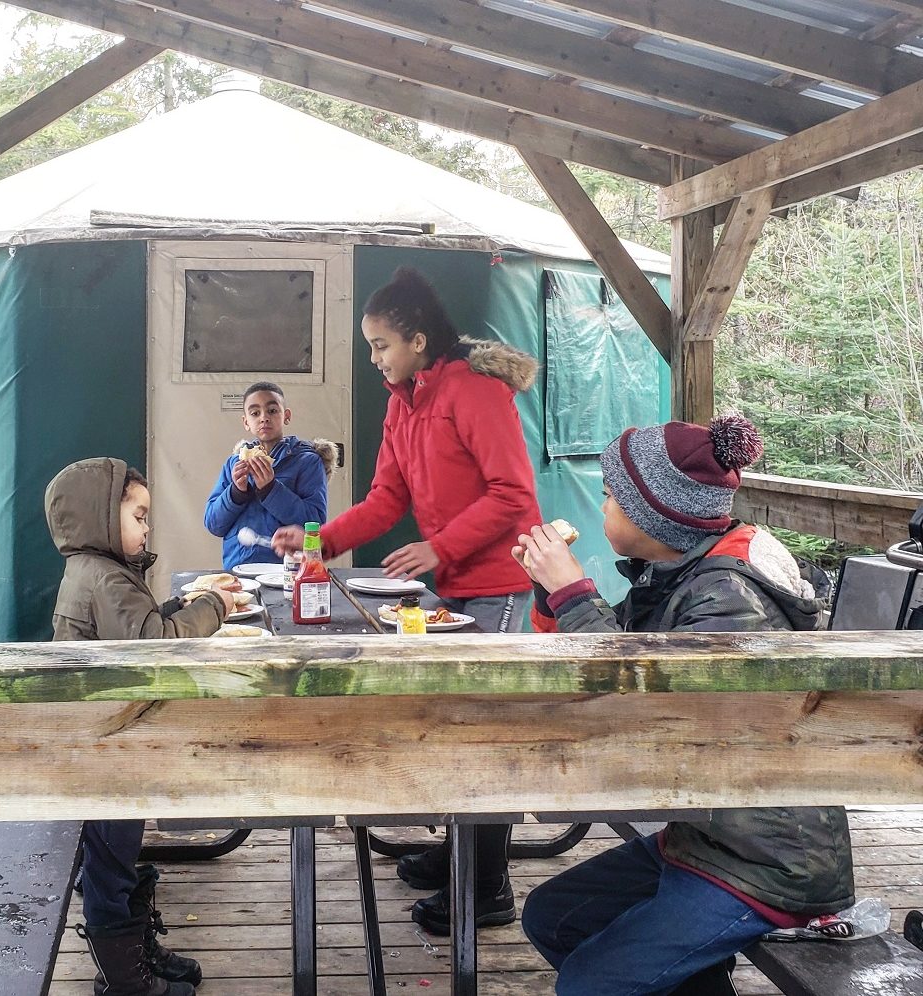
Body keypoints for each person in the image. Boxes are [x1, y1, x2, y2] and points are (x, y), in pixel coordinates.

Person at [515, 415, 855, 996]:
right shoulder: (679, 572)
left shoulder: (729, 597)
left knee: (590, 983)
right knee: (554, 915)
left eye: (609, 497)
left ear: (655, 514)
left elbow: (643, 706)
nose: (601, 508)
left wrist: (574, 590)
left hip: (769, 861)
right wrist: (552, 594)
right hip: (708, 833)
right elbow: (607, 653)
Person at [274, 266, 544, 935]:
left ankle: (487, 888)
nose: (374, 360)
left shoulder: (476, 392)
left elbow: (514, 497)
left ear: (419, 340)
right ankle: (458, 851)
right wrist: (322, 542)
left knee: (486, 734)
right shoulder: (405, 402)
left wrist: (439, 549)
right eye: (370, 347)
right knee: (459, 722)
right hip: (452, 585)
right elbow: (387, 501)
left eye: (381, 345)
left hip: (500, 585)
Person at [45, 456, 234, 996]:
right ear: (102, 517)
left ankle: (137, 953)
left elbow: (140, 626)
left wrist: (187, 602)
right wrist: (215, 606)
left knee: (119, 851)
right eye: (139, 516)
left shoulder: (96, 572)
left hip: (103, 740)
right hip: (103, 751)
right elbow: (163, 643)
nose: (147, 527)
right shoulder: (105, 577)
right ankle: (128, 980)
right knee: (109, 860)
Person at [204, 381, 333, 571]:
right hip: (238, 568)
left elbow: (314, 524)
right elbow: (213, 524)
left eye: (272, 411)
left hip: (287, 569)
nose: (264, 418)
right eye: (255, 413)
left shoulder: (307, 462)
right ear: (246, 422)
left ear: (286, 416)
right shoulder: (234, 463)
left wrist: (270, 490)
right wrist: (235, 493)